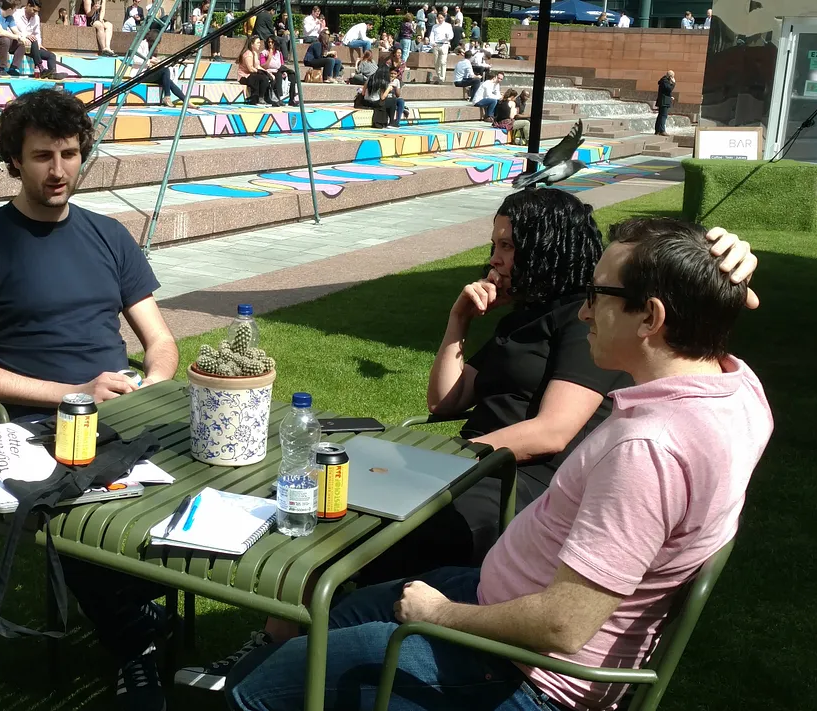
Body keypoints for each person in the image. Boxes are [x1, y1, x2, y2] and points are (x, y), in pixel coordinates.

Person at [226, 214, 770, 711]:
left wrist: (440, 616)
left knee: (257, 695)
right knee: (337, 616)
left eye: (597, 295)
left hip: (522, 670)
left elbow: (564, 625)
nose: (584, 312)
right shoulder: (738, 390)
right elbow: (446, 401)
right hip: (499, 600)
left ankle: (247, 683)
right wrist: (723, 276)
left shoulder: (649, 450)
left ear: (650, 316)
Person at [0, 88, 179, 711]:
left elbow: (160, 342)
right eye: (42, 156)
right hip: (36, 425)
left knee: (214, 480)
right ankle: (137, 643)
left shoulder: (109, 236)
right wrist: (74, 393)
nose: (59, 170)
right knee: (79, 516)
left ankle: (157, 614)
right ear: (13, 161)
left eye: (70, 154)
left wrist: (152, 380)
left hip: (123, 414)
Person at [135, 28, 187, 106]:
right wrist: (150, 61)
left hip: (146, 72)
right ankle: (167, 97)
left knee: (168, 81)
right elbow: (136, 60)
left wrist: (156, 60)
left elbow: (148, 58)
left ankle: (185, 100)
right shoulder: (142, 44)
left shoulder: (150, 47)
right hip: (139, 74)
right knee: (165, 70)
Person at [8, 0, 58, 78]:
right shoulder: (17, 14)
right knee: (33, 41)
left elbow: (37, 33)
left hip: (30, 46)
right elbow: (15, 30)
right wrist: (27, 36)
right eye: (34, 10)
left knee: (51, 55)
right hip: (16, 44)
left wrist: (39, 44)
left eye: (37, 11)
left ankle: (53, 74)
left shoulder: (36, 17)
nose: (34, 13)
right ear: (28, 5)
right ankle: (40, 68)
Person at [0, 1, 28, 71]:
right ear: (10, 9)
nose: (16, 11)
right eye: (15, 9)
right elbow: (0, 32)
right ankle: (2, 68)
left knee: (21, 44)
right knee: (5, 40)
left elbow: (16, 31)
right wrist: (17, 37)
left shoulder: (9, 17)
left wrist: (23, 38)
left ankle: (14, 68)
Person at [357, 64, 405, 128]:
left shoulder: (370, 77)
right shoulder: (383, 81)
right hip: (376, 103)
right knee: (393, 101)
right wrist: (389, 89)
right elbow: (382, 97)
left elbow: (363, 92)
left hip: (366, 102)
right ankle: (392, 122)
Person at [238, 35, 277, 105]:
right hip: (244, 76)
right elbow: (250, 69)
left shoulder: (255, 53)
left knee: (266, 76)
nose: (260, 44)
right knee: (262, 77)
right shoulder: (248, 54)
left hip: (252, 74)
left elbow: (257, 66)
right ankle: (260, 97)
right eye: (258, 43)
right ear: (252, 44)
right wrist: (261, 72)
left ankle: (268, 97)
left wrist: (267, 72)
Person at [429, 12, 453, 83]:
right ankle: (439, 75)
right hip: (436, 45)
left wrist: (448, 37)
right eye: (439, 18)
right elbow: (432, 35)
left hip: (444, 45)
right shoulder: (434, 26)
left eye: (441, 18)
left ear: (444, 18)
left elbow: (451, 35)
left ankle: (442, 77)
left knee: (443, 61)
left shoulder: (448, 26)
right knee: (436, 62)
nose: (440, 19)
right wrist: (432, 42)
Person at [655, 69, 675, 136]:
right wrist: (673, 83)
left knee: (660, 115)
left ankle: (657, 130)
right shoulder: (665, 81)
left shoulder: (664, 81)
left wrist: (670, 97)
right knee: (663, 116)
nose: (673, 78)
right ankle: (662, 131)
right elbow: (669, 89)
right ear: (670, 76)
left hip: (664, 100)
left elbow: (666, 91)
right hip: (664, 101)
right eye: (672, 77)